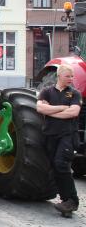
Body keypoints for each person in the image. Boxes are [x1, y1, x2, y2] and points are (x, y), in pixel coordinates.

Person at [37, 64, 81, 218]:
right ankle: (65, 202)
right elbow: (40, 109)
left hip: (67, 135)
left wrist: (52, 111)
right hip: (50, 135)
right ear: (59, 76)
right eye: (68, 76)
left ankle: (72, 200)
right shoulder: (46, 92)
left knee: (61, 163)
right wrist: (62, 108)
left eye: (72, 76)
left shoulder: (74, 94)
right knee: (54, 166)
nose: (71, 79)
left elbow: (74, 112)